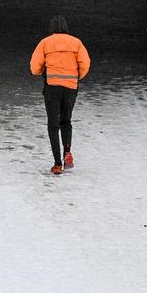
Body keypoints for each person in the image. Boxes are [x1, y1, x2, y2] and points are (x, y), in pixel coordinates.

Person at [29, 16, 91, 175]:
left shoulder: (45, 43)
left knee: (53, 124)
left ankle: (57, 164)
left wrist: (43, 71)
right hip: (70, 87)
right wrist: (76, 77)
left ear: (51, 28)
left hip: (52, 87)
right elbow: (85, 64)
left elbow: (34, 67)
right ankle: (67, 151)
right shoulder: (77, 43)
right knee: (66, 121)